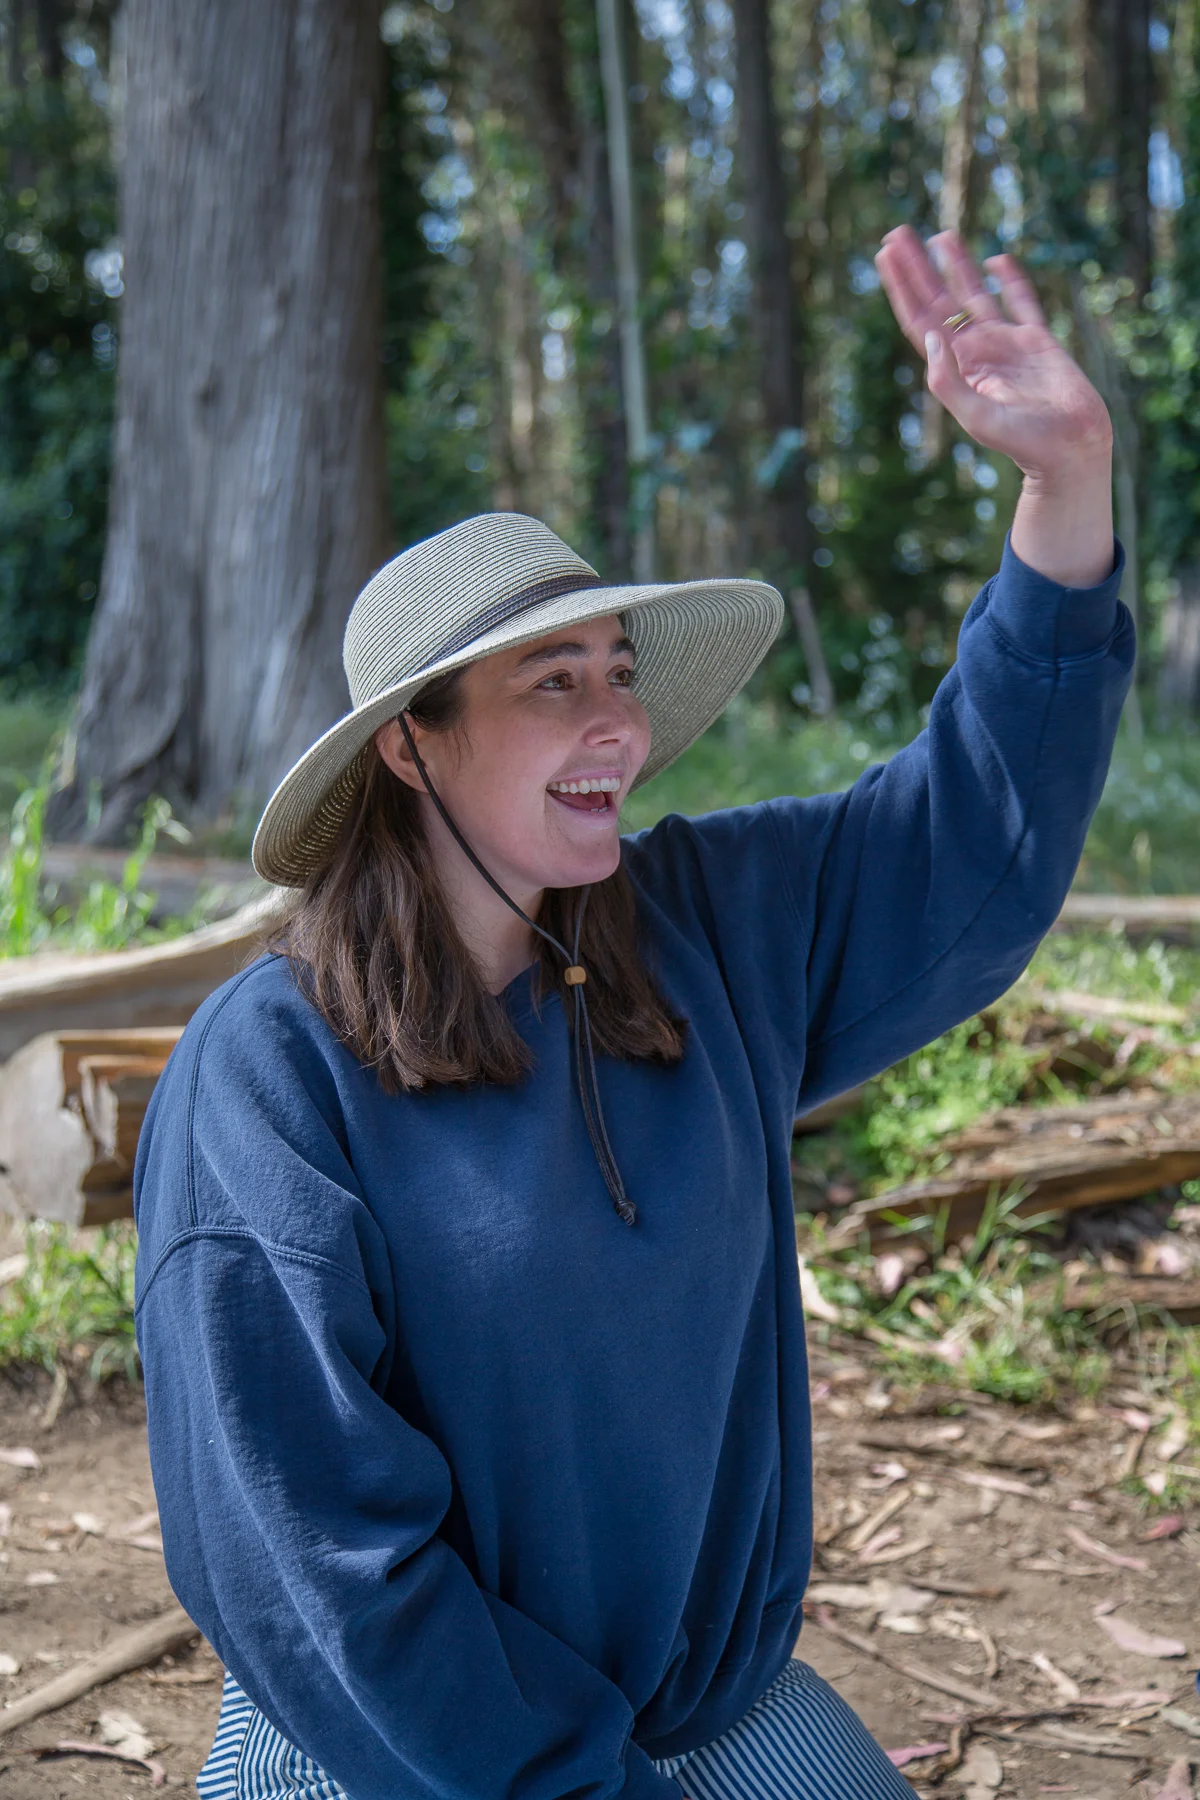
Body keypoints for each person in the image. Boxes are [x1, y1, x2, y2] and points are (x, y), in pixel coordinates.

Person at [134, 226, 1131, 1800]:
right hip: (402, 1749)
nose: (620, 718)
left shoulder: (707, 932)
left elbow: (970, 840)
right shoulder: (268, 1080)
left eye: (619, 669)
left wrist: (1065, 488)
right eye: (552, 683)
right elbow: (307, 1554)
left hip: (708, 1717)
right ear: (409, 747)